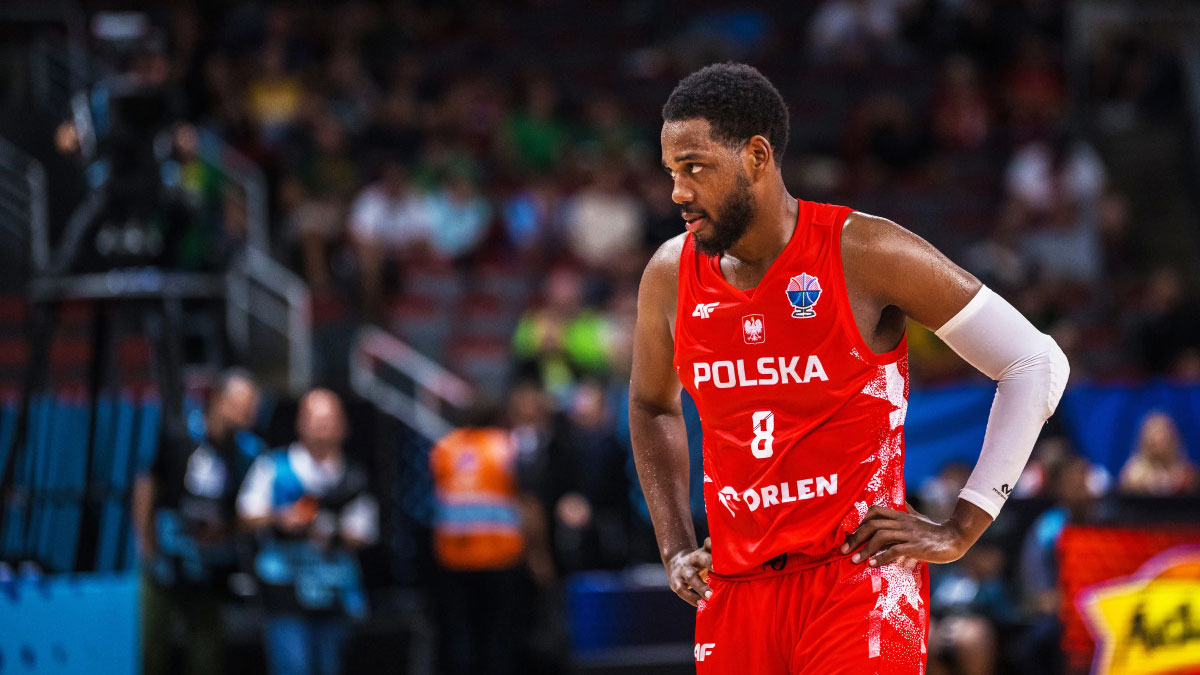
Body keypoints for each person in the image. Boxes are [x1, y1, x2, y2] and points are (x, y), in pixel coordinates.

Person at [629, 63, 1069, 673]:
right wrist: (675, 545)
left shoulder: (863, 251)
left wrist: (962, 527)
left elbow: (1034, 361)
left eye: (694, 167)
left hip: (857, 582)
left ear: (756, 156)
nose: (678, 191)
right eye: (672, 172)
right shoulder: (670, 274)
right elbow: (652, 405)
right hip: (734, 589)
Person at [237, 389, 379, 675]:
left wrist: (331, 532)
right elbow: (245, 514)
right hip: (285, 587)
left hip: (334, 589)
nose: (322, 427)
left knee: (330, 665)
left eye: (329, 420)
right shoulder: (274, 467)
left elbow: (365, 532)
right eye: (315, 419)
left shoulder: (353, 477)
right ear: (300, 423)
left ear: (343, 426)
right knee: (293, 665)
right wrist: (281, 518)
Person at [132, 369, 264, 675]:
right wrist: (146, 546)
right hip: (165, 560)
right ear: (218, 399)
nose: (248, 413)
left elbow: (253, 509)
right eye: (242, 404)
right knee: (152, 652)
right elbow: (146, 486)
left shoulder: (250, 453)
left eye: (252, 406)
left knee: (206, 656)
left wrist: (226, 530)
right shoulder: (179, 434)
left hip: (211, 567)